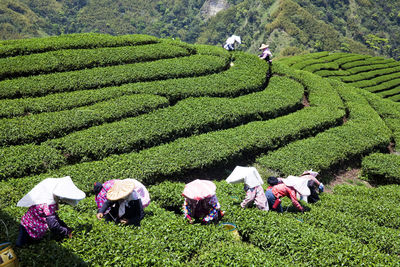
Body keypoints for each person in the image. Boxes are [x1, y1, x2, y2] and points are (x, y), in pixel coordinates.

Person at [16, 176, 86, 247]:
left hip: (29, 223)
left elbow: (55, 218)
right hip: (28, 226)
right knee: (21, 246)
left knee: (30, 245)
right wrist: (66, 232)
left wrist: (65, 226)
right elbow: (53, 225)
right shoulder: (48, 204)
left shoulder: (45, 198)